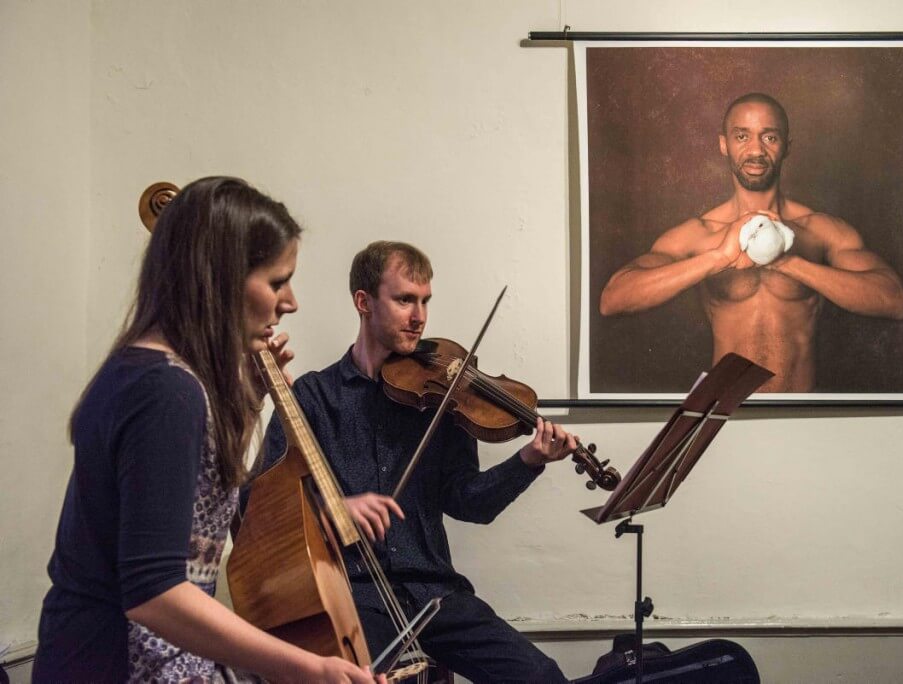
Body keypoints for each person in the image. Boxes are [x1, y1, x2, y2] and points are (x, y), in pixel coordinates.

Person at [34, 177, 382, 684]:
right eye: (278, 281)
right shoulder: (166, 391)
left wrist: (249, 398)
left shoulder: (153, 373)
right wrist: (307, 668)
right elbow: (156, 592)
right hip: (119, 661)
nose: (291, 302)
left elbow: (203, 505)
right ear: (220, 279)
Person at [256, 240, 572, 683]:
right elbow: (258, 510)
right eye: (405, 299)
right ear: (363, 302)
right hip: (354, 594)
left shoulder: (439, 397)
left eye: (424, 301)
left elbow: (469, 503)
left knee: (542, 677)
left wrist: (528, 460)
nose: (419, 316)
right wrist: (334, 510)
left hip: (436, 595)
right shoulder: (311, 398)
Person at [599, 92, 903, 392]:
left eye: (769, 137)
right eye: (742, 136)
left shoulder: (819, 230)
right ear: (724, 144)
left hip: (799, 410)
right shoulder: (699, 234)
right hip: (724, 412)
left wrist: (788, 263)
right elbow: (613, 298)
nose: (756, 149)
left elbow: (895, 301)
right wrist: (719, 257)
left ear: (786, 146)